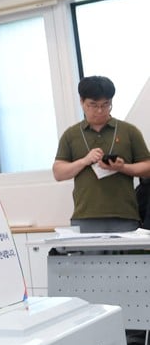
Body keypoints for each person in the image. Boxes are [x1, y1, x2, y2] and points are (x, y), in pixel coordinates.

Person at [52, 75, 150, 233]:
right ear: (82, 102)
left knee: (128, 258)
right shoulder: (71, 135)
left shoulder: (129, 131)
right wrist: (84, 160)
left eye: (106, 105)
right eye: (93, 105)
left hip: (125, 215)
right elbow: (58, 173)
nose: (100, 111)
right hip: (85, 216)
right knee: (87, 258)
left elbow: (147, 167)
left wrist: (122, 167)